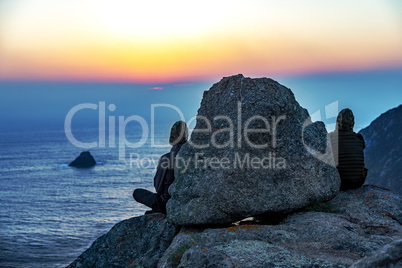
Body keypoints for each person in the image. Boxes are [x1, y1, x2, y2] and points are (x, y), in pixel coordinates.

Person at [133, 121, 188, 214]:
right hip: (184, 202)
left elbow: (158, 187)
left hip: (165, 203)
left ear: (174, 135)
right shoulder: (191, 155)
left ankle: (158, 209)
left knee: (137, 192)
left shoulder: (166, 158)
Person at [329, 108, 368, 191]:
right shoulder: (359, 137)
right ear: (353, 123)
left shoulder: (331, 137)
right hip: (358, 182)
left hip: (340, 183)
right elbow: (362, 148)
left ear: (337, 123)